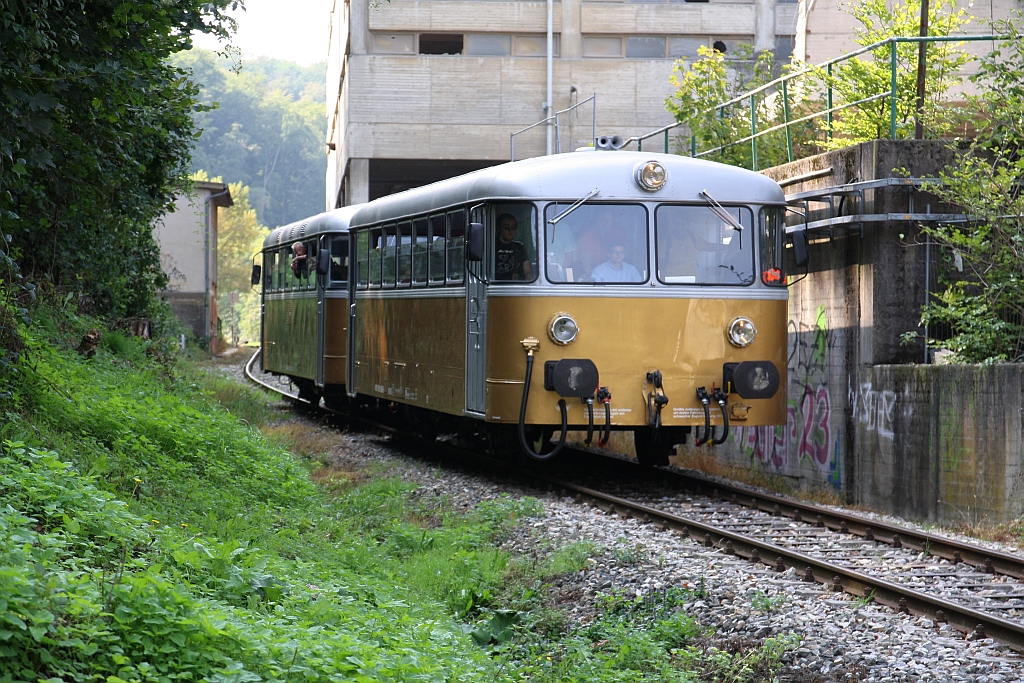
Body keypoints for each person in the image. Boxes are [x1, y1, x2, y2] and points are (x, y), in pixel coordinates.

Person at [495, 214, 533, 281]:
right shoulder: (492, 246)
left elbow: (528, 272)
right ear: (499, 229)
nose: (510, 230)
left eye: (513, 227)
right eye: (506, 227)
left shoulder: (519, 247)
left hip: (516, 286)